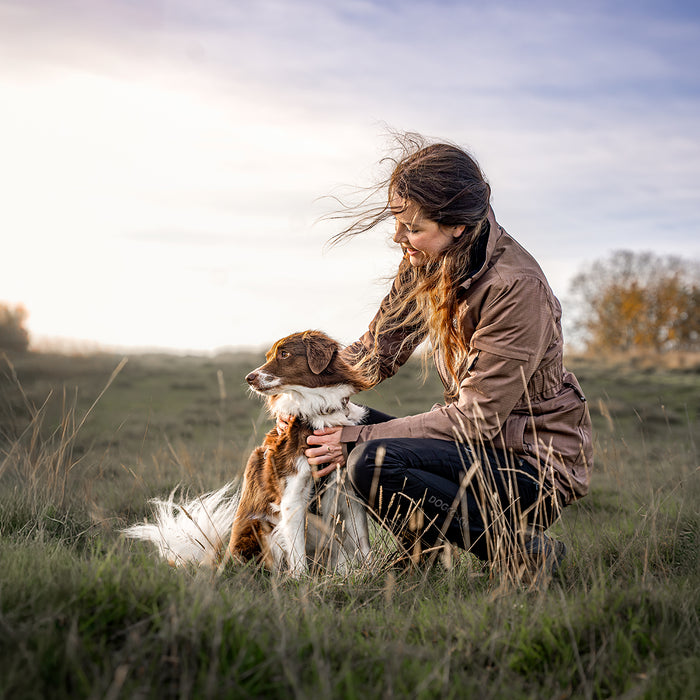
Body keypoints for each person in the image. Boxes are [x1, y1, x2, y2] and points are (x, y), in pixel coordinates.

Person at [302, 134, 593, 577]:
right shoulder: (429, 260)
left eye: (413, 227)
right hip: (475, 450)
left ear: (457, 225)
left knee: (372, 458)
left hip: (530, 466)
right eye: (398, 221)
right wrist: (308, 394)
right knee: (329, 429)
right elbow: (375, 352)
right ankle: (421, 557)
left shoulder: (515, 289)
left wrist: (357, 440)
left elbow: (476, 419)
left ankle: (523, 553)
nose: (399, 237)